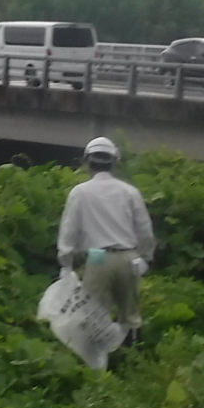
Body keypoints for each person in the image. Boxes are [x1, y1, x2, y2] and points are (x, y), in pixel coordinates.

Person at [57, 137, 156, 342]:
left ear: (87, 162)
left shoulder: (80, 192)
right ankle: (131, 358)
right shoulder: (130, 192)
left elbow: (69, 230)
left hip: (97, 257)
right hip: (128, 258)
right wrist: (145, 257)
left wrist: (66, 264)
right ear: (113, 163)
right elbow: (145, 229)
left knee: (94, 315)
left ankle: (99, 365)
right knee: (130, 316)